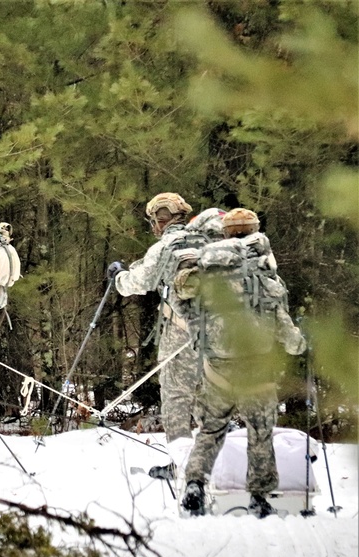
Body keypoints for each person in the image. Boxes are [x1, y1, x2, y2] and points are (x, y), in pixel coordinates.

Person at [177, 208, 306, 518]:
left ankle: (195, 482)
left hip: (216, 368)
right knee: (260, 432)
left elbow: (187, 310)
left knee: (210, 430)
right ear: (254, 230)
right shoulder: (261, 274)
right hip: (255, 369)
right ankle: (259, 497)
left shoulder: (206, 270)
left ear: (225, 233)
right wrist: (300, 344)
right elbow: (287, 333)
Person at [109, 193, 222, 452]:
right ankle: (216, 461)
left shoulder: (165, 245)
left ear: (159, 222)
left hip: (181, 331)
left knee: (176, 396)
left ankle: (180, 464)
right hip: (218, 331)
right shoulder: (211, 242)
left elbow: (137, 283)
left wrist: (118, 278)